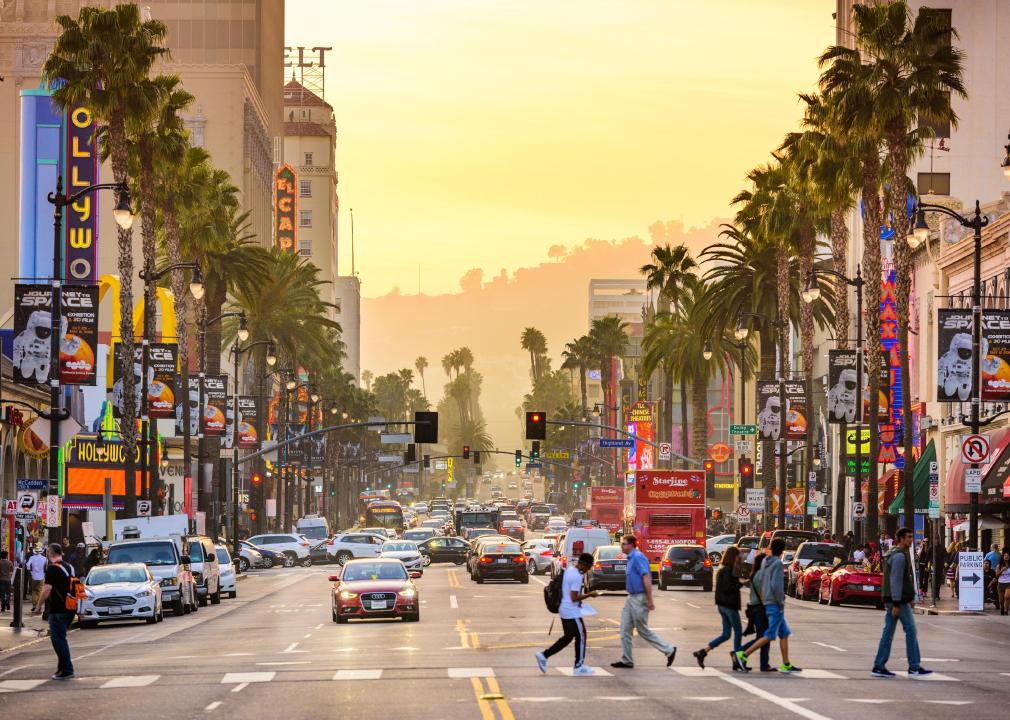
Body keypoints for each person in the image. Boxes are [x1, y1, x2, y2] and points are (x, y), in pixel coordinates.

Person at [871, 527, 932, 678]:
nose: (911, 540)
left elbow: (902, 580)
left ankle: (879, 666)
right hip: (897, 601)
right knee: (910, 631)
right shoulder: (899, 557)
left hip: (897, 600)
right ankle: (914, 667)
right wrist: (897, 603)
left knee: (888, 633)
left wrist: (909, 597)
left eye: (912, 537)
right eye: (908, 537)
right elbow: (896, 581)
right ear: (901, 539)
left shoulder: (896, 554)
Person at [735, 538, 801, 673]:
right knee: (770, 634)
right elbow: (776, 586)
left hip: (766, 601)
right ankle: (743, 654)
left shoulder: (765, 561)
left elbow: (763, 581)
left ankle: (786, 663)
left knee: (784, 632)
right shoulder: (777, 564)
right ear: (782, 550)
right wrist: (780, 602)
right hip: (774, 603)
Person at [611, 535, 677, 670]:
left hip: (639, 597)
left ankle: (669, 650)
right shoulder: (630, 558)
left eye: (624, 544)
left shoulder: (638, 557)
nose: (621, 546)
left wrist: (650, 599)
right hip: (631, 598)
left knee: (642, 630)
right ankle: (627, 659)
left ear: (631, 545)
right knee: (624, 630)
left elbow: (646, 576)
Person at [536, 553, 597, 675]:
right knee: (582, 636)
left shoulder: (569, 570)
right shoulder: (577, 576)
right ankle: (579, 666)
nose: (588, 570)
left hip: (564, 609)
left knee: (568, 637)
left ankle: (544, 655)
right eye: (589, 567)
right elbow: (574, 597)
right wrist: (590, 594)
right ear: (584, 564)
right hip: (571, 612)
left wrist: (579, 602)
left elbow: (568, 593)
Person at [693, 546, 745, 669]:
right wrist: (740, 584)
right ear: (733, 557)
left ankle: (703, 651)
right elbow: (728, 588)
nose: (739, 559)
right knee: (738, 631)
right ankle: (737, 658)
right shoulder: (727, 570)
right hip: (729, 605)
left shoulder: (723, 569)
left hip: (722, 605)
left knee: (726, 634)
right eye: (738, 557)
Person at [32, 543, 76, 680]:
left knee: (58, 640)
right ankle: (61, 668)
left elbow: (47, 589)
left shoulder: (52, 569)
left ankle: (67, 669)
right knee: (60, 638)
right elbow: (75, 587)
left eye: (47, 551)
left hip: (58, 609)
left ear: (50, 553)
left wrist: (39, 606)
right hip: (70, 608)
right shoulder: (69, 567)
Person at [739, 554, 774, 671]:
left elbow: (747, 583)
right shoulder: (760, 575)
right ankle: (738, 652)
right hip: (760, 609)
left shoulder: (756, 574)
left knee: (764, 638)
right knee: (763, 637)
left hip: (756, 608)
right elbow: (762, 594)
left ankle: (764, 664)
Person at [26, 546, 47, 612]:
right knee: (40, 591)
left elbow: (27, 565)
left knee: (34, 591)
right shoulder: (45, 558)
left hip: (33, 576)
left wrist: (30, 571)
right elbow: (46, 568)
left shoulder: (32, 557)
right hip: (42, 576)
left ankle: (35, 606)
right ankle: (39, 606)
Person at [996, 550, 1010, 616]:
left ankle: (1006, 611)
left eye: (1007, 555)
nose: (1006, 557)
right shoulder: (999, 566)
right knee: (1001, 600)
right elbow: (997, 575)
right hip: (1001, 583)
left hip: (1009, 583)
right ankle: (1002, 607)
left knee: (1007, 597)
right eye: (1005, 555)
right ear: (1003, 557)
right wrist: (1001, 570)